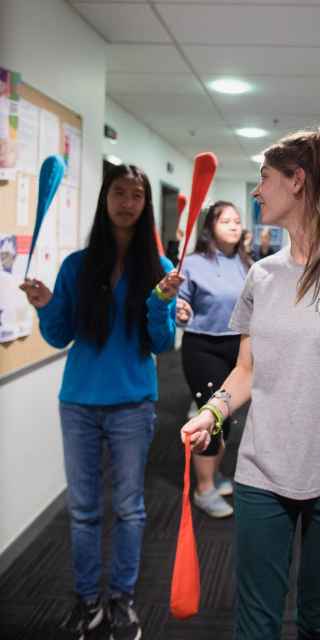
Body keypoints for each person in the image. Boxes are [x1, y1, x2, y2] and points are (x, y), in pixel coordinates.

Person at [181, 129, 320, 639]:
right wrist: (212, 412)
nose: (257, 192)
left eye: (264, 178)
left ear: (298, 181)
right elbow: (246, 370)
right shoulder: (261, 276)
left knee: (318, 616)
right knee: (255, 620)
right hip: (264, 470)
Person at [21, 164, 188, 640]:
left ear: (146, 206)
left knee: (130, 508)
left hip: (133, 403)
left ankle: (122, 599)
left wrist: (159, 303)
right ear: (105, 197)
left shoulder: (155, 268)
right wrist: (46, 305)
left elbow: (160, 344)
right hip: (78, 403)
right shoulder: (77, 265)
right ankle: (87, 599)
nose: (128, 202)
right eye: (119, 192)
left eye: (137, 195)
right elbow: (59, 335)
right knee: (83, 509)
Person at [179, 200, 251, 518]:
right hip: (202, 347)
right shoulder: (193, 263)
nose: (234, 226)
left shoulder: (248, 264)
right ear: (210, 227)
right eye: (226, 221)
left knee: (227, 417)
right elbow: (179, 301)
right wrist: (180, 308)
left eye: (237, 221)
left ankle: (214, 474)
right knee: (211, 415)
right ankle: (203, 490)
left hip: (238, 348)